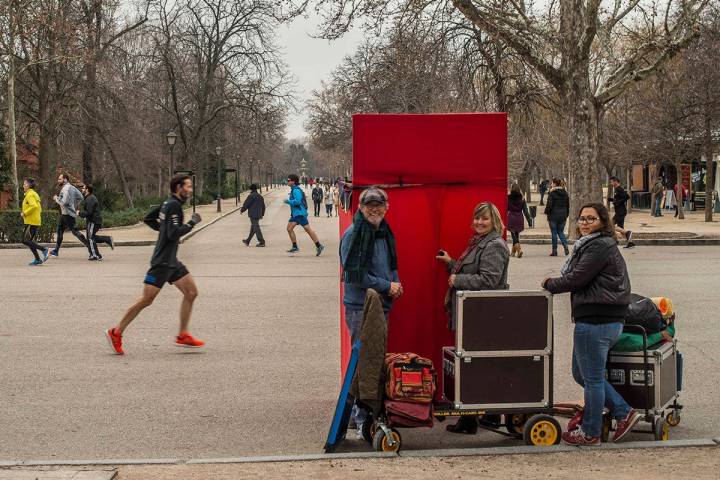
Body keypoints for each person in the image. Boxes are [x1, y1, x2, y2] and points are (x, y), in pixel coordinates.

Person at [542, 202, 639, 445]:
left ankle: (591, 431)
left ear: (603, 222)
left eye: (591, 219)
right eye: (582, 218)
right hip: (597, 319)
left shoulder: (598, 246)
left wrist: (549, 284)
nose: (585, 223)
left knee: (593, 379)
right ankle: (622, 410)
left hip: (597, 320)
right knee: (581, 374)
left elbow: (577, 278)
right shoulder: (595, 244)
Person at [105, 174, 204, 355]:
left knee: (191, 292)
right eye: (188, 187)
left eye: (191, 187)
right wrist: (192, 222)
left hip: (172, 262)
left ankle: (183, 334)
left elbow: (149, 219)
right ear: (178, 188)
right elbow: (174, 234)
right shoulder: (173, 206)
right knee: (146, 300)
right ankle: (116, 332)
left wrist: (164, 229)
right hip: (162, 262)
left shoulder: (168, 204)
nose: (190, 190)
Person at [436, 201, 509, 434]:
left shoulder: (495, 245)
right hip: (473, 314)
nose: (479, 222)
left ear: (494, 220)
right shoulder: (479, 242)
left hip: (482, 316)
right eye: (477, 218)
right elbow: (471, 271)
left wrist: (458, 280)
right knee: (478, 365)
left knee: (475, 365)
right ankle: (487, 416)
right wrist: (451, 265)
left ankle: (472, 421)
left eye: (484, 218)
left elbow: (489, 280)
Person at [340, 187, 402, 436]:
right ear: (361, 207)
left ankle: (361, 414)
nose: (374, 209)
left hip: (380, 305)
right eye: (369, 205)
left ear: (387, 206)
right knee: (364, 362)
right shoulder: (354, 234)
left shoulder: (384, 232)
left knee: (372, 361)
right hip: (360, 308)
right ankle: (360, 416)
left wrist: (396, 283)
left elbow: (391, 265)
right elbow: (355, 277)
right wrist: (388, 286)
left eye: (379, 204)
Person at [48, 173, 88, 257]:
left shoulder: (65, 189)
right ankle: (56, 251)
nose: (58, 181)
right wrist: (74, 205)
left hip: (68, 214)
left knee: (75, 232)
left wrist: (56, 198)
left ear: (65, 179)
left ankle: (90, 247)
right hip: (65, 214)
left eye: (60, 179)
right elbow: (81, 197)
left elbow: (63, 202)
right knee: (60, 230)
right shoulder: (73, 187)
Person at [284, 174, 324, 256]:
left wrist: (288, 201)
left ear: (293, 181)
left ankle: (317, 245)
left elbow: (298, 201)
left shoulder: (296, 190)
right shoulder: (294, 189)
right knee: (293, 229)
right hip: (297, 213)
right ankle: (317, 245)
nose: (287, 182)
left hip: (299, 213)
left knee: (302, 229)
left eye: (289, 180)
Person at [80, 184, 114, 261]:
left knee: (90, 238)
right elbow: (89, 212)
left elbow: (89, 212)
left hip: (94, 221)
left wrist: (80, 213)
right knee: (91, 237)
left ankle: (96, 255)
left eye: (83, 188)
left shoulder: (90, 199)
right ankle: (107, 239)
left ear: (87, 190)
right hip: (93, 220)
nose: (82, 189)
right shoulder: (89, 198)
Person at [20, 177, 49, 266]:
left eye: (24, 184)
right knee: (30, 241)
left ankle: (44, 250)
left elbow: (34, 206)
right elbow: (39, 208)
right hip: (34, 220)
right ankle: (37, 259)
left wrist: (24, 213)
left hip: (31, 221)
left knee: (25, 240)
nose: (23, 186)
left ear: (28, 185)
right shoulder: (33, 194)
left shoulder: (30, 195)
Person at [544, 178, 570, 256]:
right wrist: (566, 214)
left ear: (554, 184)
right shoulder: (565, 193)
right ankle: (565, 244)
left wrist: (546, 212)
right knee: (561, 232)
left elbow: (549, 205)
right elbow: (568, 205)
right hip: (563, 215)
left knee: (554, 233)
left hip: (553, 215)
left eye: (552, 183)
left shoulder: (552, 193)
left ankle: (554, 250)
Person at [608, 176, 634, 248]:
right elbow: (619, 199)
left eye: (611, 182)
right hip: (619, 211)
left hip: (620, 211)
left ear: (615, 181)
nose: (611, 183)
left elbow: (627, 196)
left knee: (610, 224)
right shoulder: (616, 189)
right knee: (620, 228)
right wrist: (612, 200)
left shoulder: (619, 189)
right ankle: (629, 242)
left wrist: (618, 202)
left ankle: (627, 232)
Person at [507, 183, 532, 258]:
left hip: (511, 217)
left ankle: (519, 250)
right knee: (516, 234)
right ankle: (513, 253)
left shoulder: (508, 198)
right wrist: (529, 221)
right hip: (519, 217)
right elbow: (525, 211)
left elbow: (506, 209)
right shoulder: (522, 198)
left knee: (513, 235)